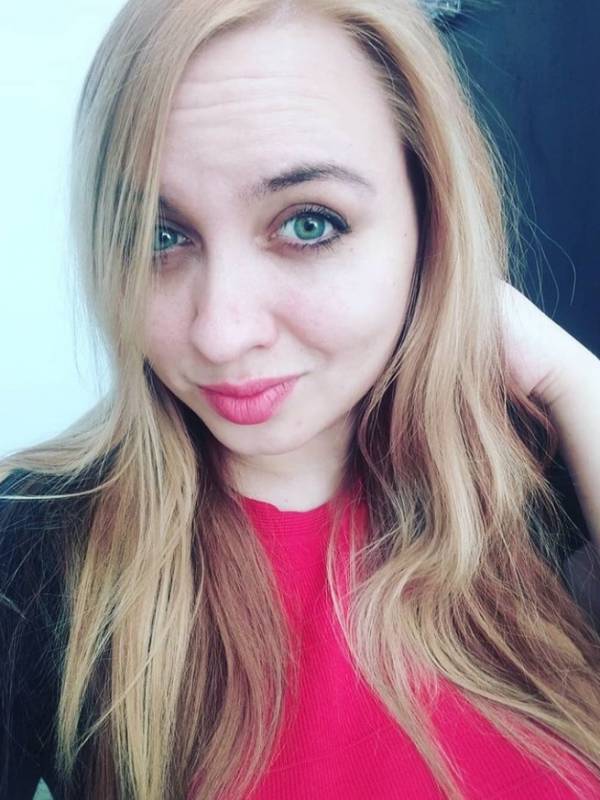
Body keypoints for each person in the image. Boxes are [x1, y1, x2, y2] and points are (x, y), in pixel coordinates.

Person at [1, 0, 600, 798]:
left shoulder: (533, 467)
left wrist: (568, 375)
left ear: (429, 219)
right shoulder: (37, 543)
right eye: (157, 235)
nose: (221, 333)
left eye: (309, 224)